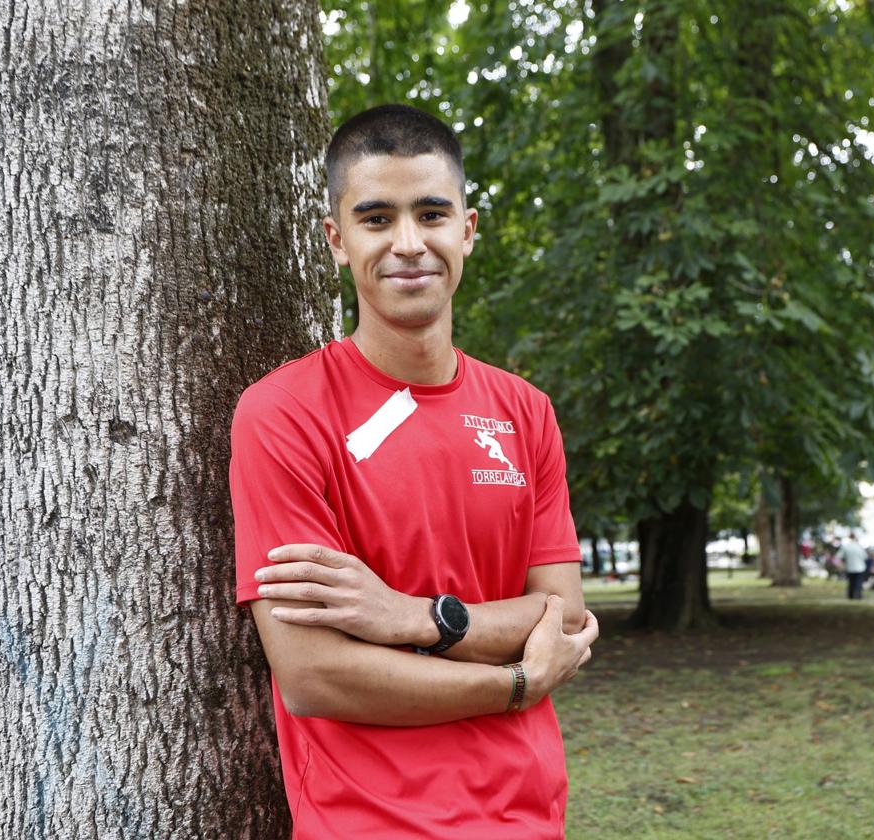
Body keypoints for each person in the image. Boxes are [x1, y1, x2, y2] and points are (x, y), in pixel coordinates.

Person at [228, 104, 599, 838]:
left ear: (467, 229)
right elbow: (314, 675)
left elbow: (564, 615)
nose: (408, 244)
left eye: (431, 213)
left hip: (531, 817)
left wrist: (413, 617)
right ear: (337, 240)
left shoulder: (525, 412)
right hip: (374, 824)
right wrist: (518, 682)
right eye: (376, 218)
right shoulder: (283, 413)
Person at [838, 533, 868, 600]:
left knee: (851, 582)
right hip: (860, 568)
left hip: (850, 568)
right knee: (858, 582)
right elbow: (865, 557)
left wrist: (842, 564)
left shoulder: (846, 547)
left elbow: (839, 557)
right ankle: (858, 595)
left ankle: (851, 596)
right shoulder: (859, 547)